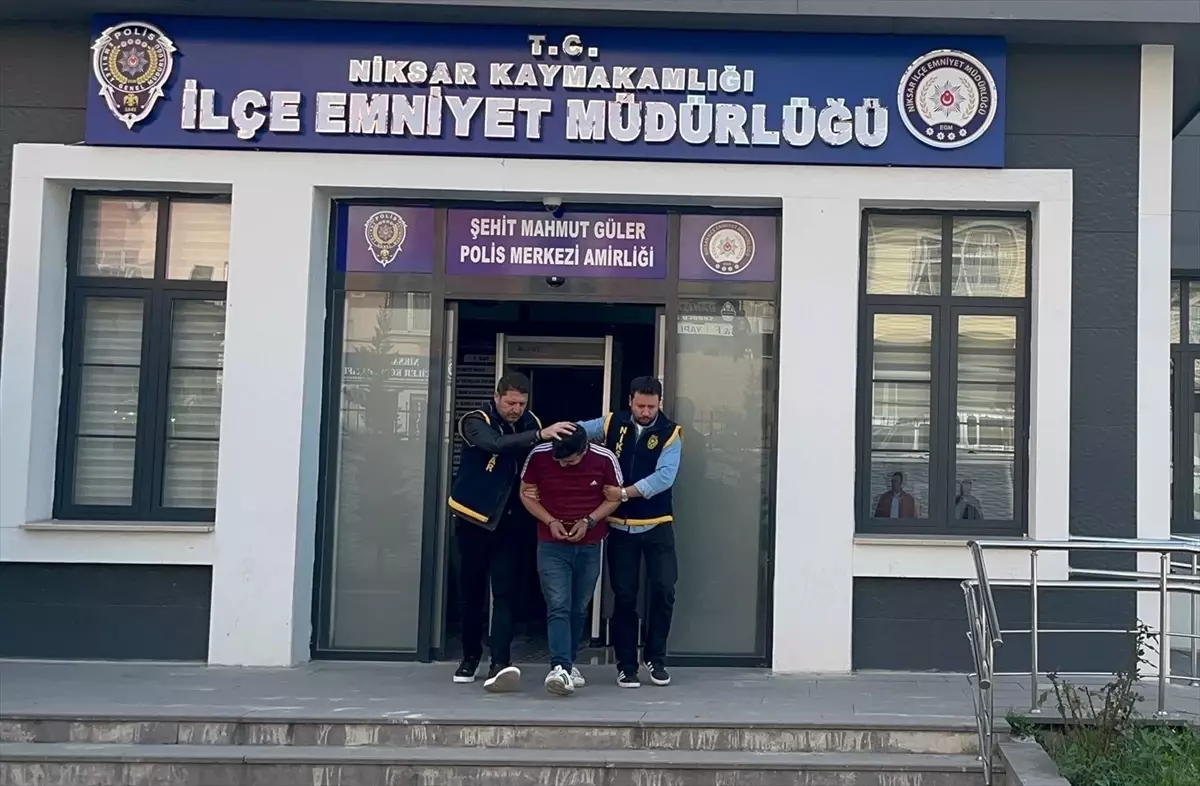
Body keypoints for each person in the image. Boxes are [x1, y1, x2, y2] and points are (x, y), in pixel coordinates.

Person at [447, 372, 575, 692]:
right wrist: (539, 435)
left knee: (505, 592)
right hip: (473, 519)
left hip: (512, 521)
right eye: (510, 403)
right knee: (471, 592)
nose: (516, 409)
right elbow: (495, 444)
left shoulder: (531, 421)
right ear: (497, 397)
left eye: (521, 403)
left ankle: (500, 661)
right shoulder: (474, 420)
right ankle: (470, 656)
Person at [580, 376, 683, 689]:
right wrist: (553, 433)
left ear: (659, 403)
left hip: (657, 524)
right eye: (641, 406)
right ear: (630, 401)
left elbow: (664, 477)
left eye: (651, 406)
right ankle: (626, 666)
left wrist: (624, 493)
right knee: (624, 597)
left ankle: (656, 658)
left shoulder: (671, 432)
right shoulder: (612, 423)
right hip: (619, 528)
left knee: (664, 590)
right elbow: (578, 432)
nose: (646, 412)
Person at [519, 427, 623, 696]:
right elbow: (526, 493)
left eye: (571, 460)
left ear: (584, 449)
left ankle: (569, 662)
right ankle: (560, 667)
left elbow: (614, 497)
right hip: (551, 542)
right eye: (560, 460)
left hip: (590, 543)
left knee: (579, 607)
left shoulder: (604, 458)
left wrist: (589, 521)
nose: (564, 464)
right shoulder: (539, 455)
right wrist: (549, 520)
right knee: (558, 604)